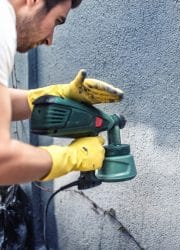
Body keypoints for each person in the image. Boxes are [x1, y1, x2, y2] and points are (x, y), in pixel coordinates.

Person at [0, 0, 124, 184]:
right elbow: (3, 161)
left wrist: (56, 95)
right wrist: (71, 158)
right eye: (57, 21)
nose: (50, 40)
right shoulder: (3, 28)